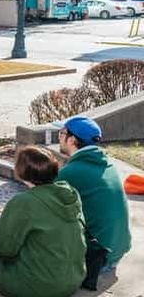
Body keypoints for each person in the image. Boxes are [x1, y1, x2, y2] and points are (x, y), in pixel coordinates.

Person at [0, 146, 87, 297]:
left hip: (39, 286)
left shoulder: (24, 203)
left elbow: (3, 249)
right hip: (74, 278)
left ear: (21, 171)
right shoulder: (70, 193)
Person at [55, 116, 131, 271]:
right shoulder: (107, 164)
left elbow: (43, 206)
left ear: (72, 140)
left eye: (62, 133)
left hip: (98, 258)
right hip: (117, 248)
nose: (59, 137)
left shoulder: (71, 172)